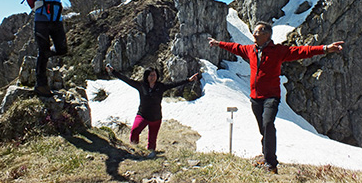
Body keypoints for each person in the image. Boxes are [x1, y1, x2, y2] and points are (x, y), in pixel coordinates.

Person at [208, 21, 344, 174]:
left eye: (257, 32)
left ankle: (271, 164)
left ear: (267, 35)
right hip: (255, 98)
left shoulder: (278, 51)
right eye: (254, 32)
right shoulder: (250, 50)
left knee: (268, 125)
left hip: (271, 97)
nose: (254, 34)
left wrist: (326, 49)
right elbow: (235, 48)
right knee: (263, 130)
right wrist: (218, 43)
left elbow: (302, 51)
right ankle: (265, 156)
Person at [106, 64, 199, 158]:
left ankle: (151, 154)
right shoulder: (141, 85)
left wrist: (188, 80)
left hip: (156, 117)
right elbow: (126, 80)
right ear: (146, 76)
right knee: (134, 131)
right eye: (150, 75)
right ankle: (135, 149)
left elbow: (174, 84)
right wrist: (113, 71)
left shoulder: (161, 86)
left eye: (154, 75)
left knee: (152, 139)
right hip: (142, 115)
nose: (152, 77)